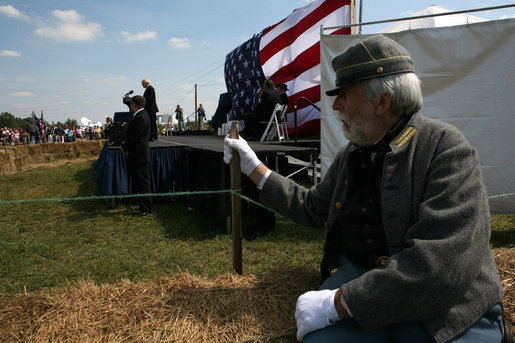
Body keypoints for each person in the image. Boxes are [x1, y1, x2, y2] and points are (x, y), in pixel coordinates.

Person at [224, 35, 505, 342]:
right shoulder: (354, 153)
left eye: (344, 94)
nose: (335, 105)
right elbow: (311, 207)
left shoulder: (446, 150)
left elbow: (440, 268)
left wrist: (340, 302)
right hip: (359, 274)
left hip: (440, 306)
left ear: (382, 101)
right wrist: (253, 167)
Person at [121, 95, 153, 217]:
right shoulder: (142, 115)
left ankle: (146, 208)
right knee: (140, 182)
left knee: (142, 183)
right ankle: (143, 205)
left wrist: (125, 148)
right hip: (138, 154)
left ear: (134, 104)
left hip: (139, 155)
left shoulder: (140, 117)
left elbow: (134, 136)